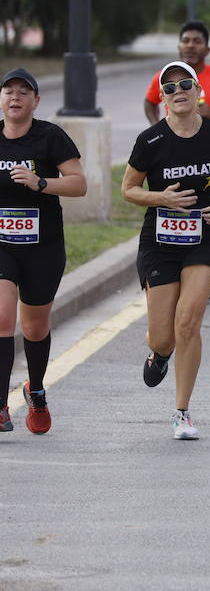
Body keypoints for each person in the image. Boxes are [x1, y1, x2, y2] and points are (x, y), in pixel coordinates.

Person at [122, 62, 210, 440]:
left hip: (205, 236)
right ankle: (158, 353)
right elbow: (128, 189)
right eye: (170, 87)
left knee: (188, 319)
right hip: (159, 240)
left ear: (198, 91)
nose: (179, 92)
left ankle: (182, 412)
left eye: (185, 84)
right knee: (163, 335)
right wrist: (161, 198)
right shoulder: (150, 140)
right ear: (162, 98)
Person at [0, 68, 86, 436]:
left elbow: (79, 184)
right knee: (3, 318)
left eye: (24, 92)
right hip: (2, 244)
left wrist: (40, 182)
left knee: (34, 327)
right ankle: (1, 406)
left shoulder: (50, 137)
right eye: (9, 91)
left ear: (36, 101)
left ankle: (35, 390)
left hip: (43, 248)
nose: (15, 97)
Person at [143, 21, 210, 128]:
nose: (190, 45)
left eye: (197, 41)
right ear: (179, 48)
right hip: (175, 141)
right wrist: (156, 127)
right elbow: (149, 102)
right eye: (185, 41)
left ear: (207, 50)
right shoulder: (164, 77)